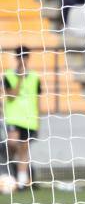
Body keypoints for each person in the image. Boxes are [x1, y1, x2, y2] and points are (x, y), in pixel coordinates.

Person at [1, 47, 42, 191]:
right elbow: (11, 96)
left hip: (29, 119)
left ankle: (21, 183)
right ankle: (11, 170)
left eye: (24, 57)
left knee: (24, 151)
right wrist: (20, 78)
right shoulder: (8, 75)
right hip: (13, 118)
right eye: (20, 57)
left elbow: (37, 100)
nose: (22, 60)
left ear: (28, 58)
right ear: (16, 58)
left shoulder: (35, 77)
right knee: (12, 144)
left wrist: (38, 119)